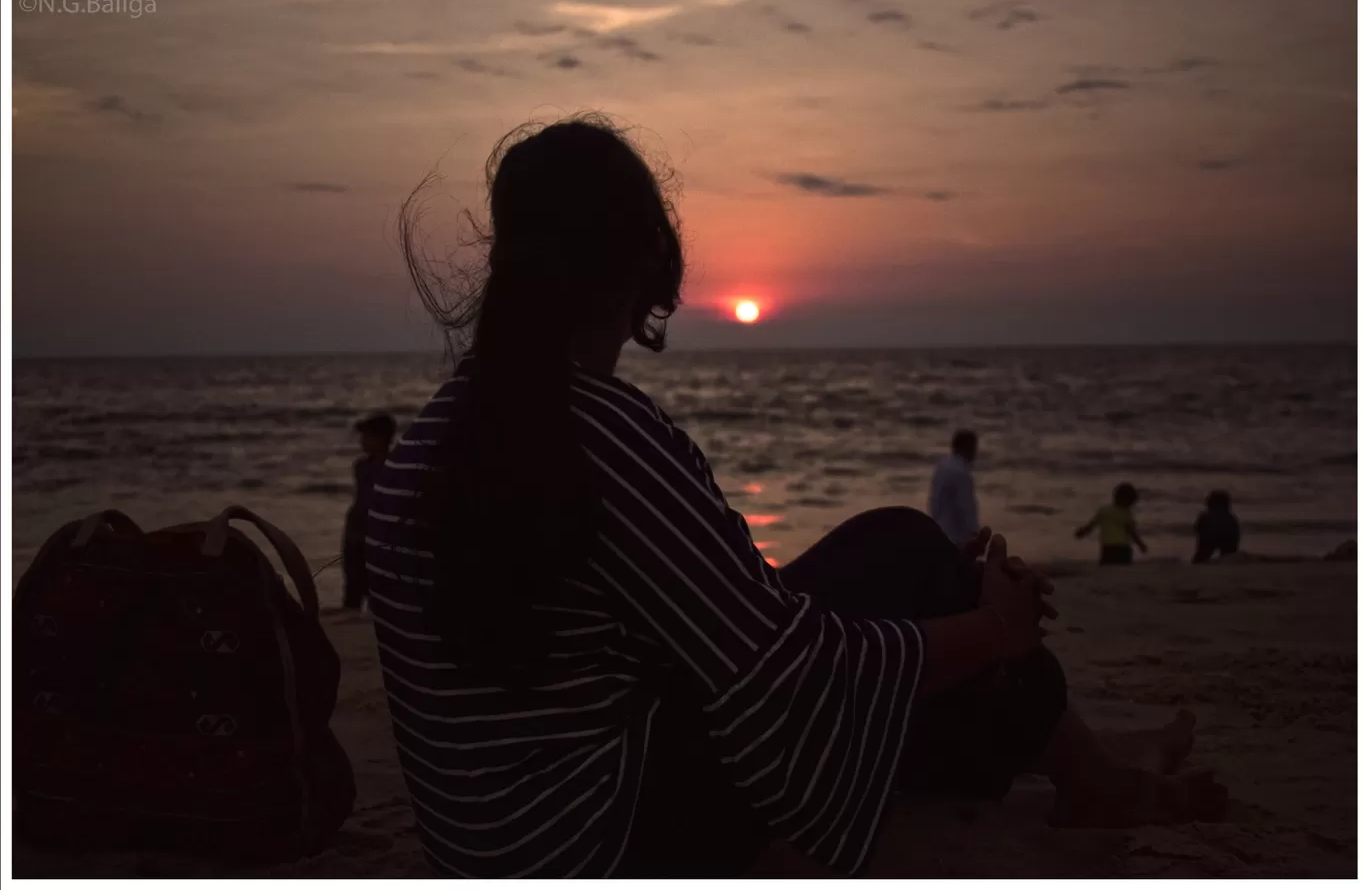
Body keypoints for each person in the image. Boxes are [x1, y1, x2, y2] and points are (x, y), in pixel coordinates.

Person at [369, 117, 1223, 879]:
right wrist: (991, 629)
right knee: (902, 559)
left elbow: (632, 646)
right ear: (641, 267)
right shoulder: (604, 432)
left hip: (482, 846)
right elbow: (788, 674)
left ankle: (1080, 759)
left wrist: (938, 624)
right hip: (608, 843)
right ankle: (1090, 776)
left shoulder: (425, 444)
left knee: (899, 572)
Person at [343, 412, 396, 610]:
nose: (362, 442)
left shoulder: (392, 466)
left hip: (377, 533)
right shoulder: (361, 466)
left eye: (368, 436)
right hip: (356, 531)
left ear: (383, 438)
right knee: (352, 584)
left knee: (378, 587)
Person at [929, 430, 980, 549]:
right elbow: (966, 506)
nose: (975, 453)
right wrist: (974, 533)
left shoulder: (942, 466)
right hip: (956, 536)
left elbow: (934, 501)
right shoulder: (961, 472)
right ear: (966, 447)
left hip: (940, 530)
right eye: (973, 447)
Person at [1075, 482, 1148, 566]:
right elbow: (1132, 532)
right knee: (1122, 568)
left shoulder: (1103, 511)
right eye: (1131, 503)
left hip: (1108, 548)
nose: (1131, 506)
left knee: (1106, 568)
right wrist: (1141, 545)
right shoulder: (1126, 514)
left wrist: (1081, 533)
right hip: (1123, 548)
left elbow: (1091, 526)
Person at [1192, 490, 1240, 564]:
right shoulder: (1232, 518)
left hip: (1210, 537)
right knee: (1229, 556)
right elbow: (1236, 532)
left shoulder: (1205, 516)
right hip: (1228, 537)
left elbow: (1197, 529)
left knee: (1201, 557)